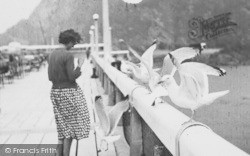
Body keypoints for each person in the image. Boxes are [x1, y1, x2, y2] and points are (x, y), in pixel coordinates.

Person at [48, 29, 90, 156]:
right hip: (69, 93)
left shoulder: (52, 54)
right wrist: (79, 66)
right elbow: (72, 77)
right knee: (71, 128)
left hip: (55, 92)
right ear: (69, 41)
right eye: (74, 43)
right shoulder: (68, 55)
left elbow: (50, 77)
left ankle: (58, 154)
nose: (74, 46)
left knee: (62, 127)